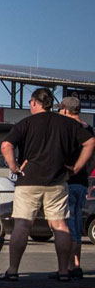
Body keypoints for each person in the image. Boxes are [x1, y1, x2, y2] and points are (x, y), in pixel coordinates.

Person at [0, 88, 95, 281]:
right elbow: (90, 142)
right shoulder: (67, 123)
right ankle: (63, 271)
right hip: (58, 181)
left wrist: (14, 166)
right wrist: (76, 167)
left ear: (35, 102)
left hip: (28, 180)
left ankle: (12, 270)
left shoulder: (25, 123)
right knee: (60, 225)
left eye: (30, 102)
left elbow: (5, 145)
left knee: (22, 225)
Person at [59, 96, 94, 278]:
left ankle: (70, 267)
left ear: (65, 109)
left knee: (68, 223)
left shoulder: (68, 129)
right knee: (77, 222)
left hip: (70, 180)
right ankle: (77, 264)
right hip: (82, 182)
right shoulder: (88, 128)